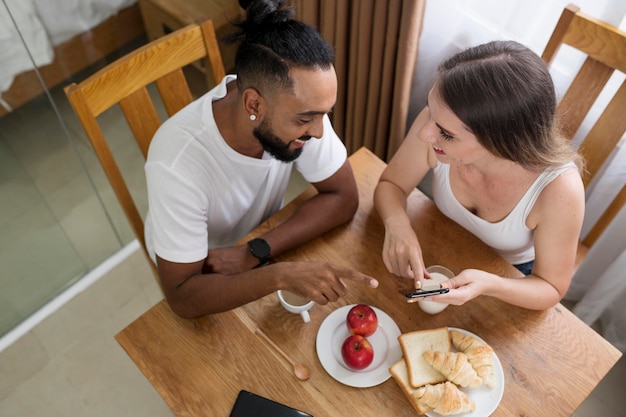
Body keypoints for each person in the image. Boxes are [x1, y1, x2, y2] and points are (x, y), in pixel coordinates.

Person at [144, 0, 378, 318]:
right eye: (306, 119)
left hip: (253, 243)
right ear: (254, 103)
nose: (319, 132)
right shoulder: (176, 165)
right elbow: (184, 295)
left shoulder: (300, 107)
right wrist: (279, 275)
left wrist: (257, 251)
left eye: (325, 114)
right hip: (202, 269)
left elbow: (344, 197)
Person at [374, 40, 585, 310]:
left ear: (502, 143)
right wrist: (397, 224)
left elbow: (551, 287)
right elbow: (391, 184)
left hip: (513, 276)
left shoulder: (559, 191)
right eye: (431, 112)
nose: (424, 134)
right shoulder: (437, 122)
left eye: (447, 135)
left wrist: (491, 284)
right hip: (442, 241)